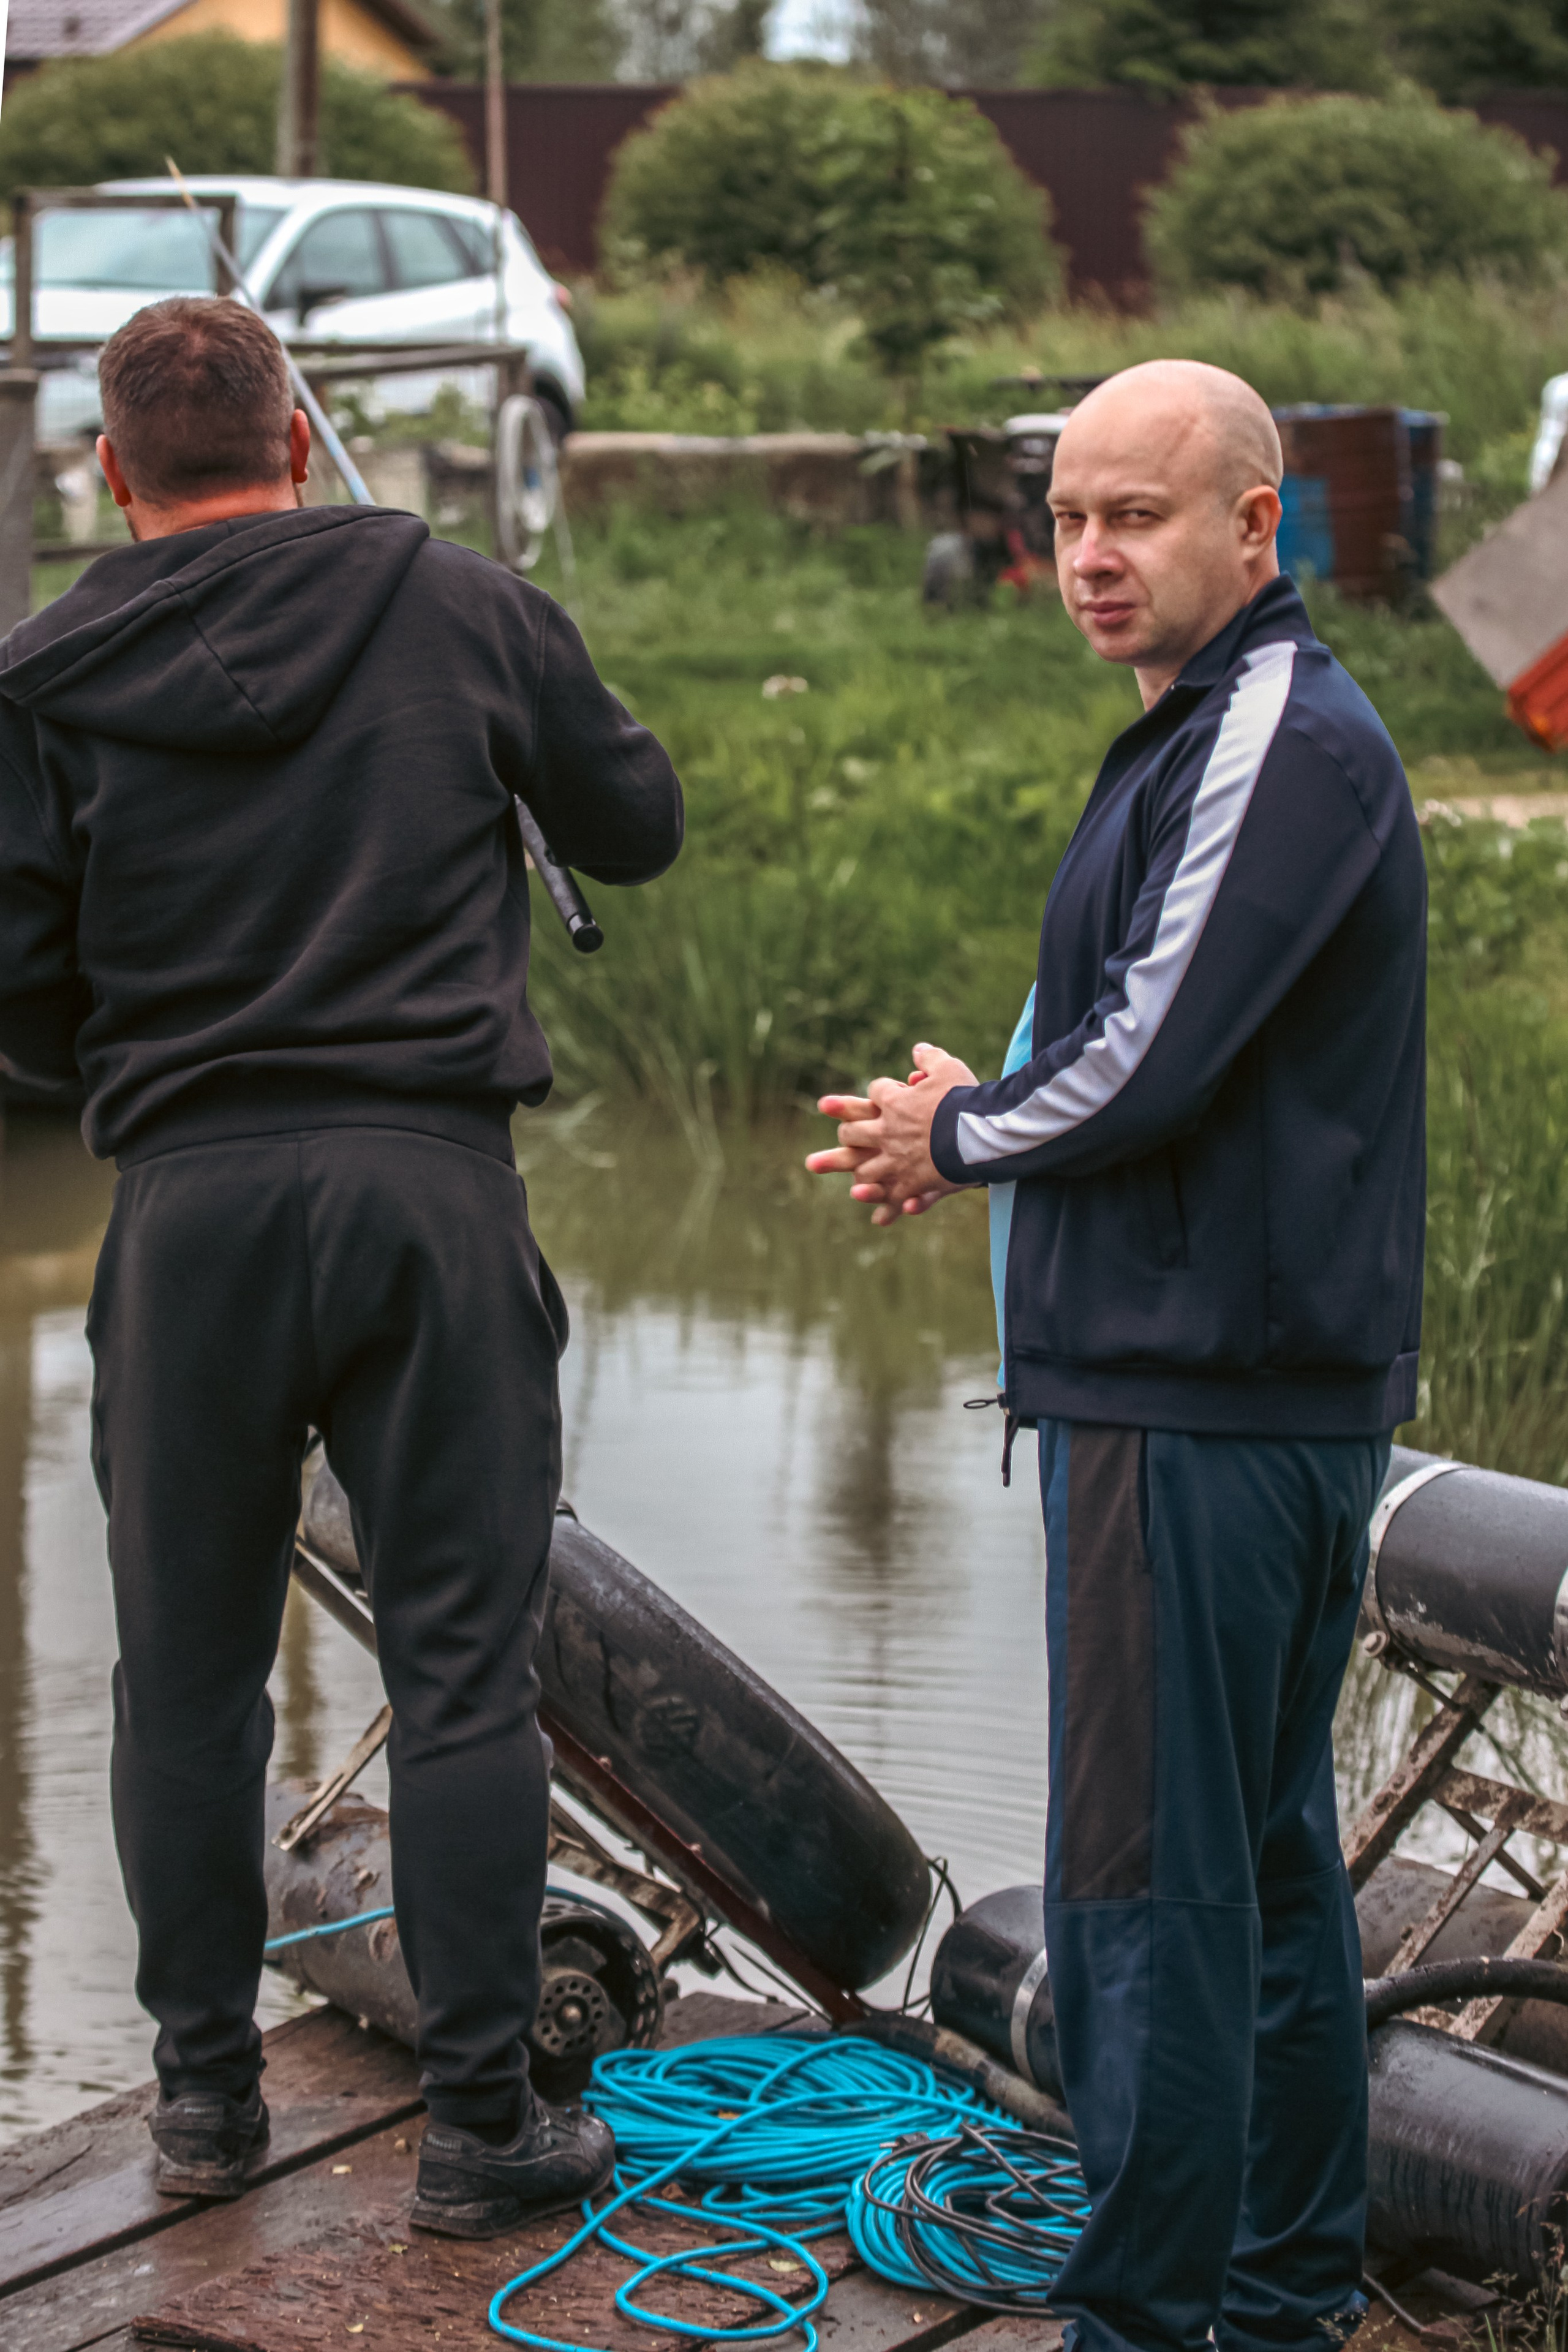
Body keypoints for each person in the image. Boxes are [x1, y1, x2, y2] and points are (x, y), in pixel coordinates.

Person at [0, 298, 682, 2234]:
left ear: (109, 474)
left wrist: (142, 1072)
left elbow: (18, 994)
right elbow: (636, 828)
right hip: (430, 1189)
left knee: (188, 1684)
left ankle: (203, 2113)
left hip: (190, 1214)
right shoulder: (470, 608)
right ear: (299, 445)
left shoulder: (37, 682)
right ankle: (484, 2135)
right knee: (466, 1674)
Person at [809, 359, 1426, 2352]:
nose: (1087, 553)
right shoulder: (1190, 733)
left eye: (1136, 514)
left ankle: (1155, 2323)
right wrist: (988, 1102)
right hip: (1211, 1389)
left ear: (1259, 526)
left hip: (1199, 1407)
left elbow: (1154, 1053)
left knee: (1146, 1896)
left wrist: (964, 1136)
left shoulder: (1275, 726)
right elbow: (1173, 1045)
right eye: (1069, 514)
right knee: (1255, 1877)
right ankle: (1282, 2290)